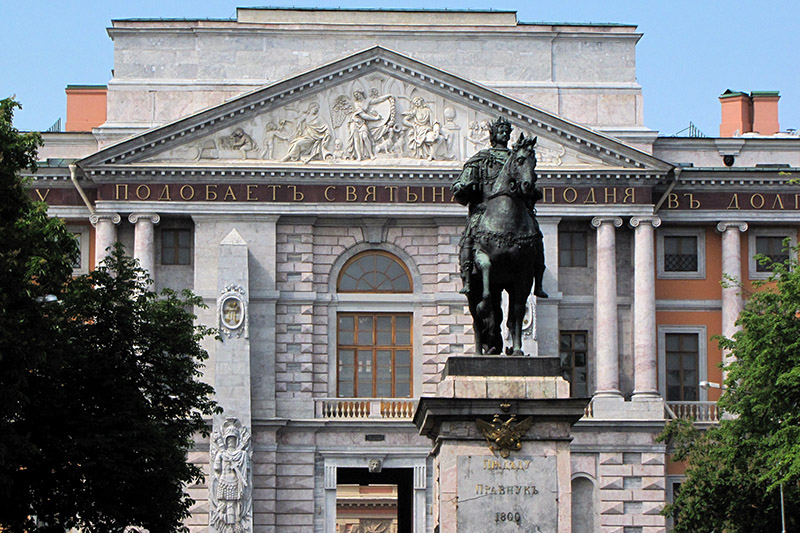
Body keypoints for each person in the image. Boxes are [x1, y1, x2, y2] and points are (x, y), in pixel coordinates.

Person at [451, 116, 547, 297]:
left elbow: (529, 183)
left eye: (506, 131)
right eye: (500, 131)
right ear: (493, 135)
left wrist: (532, 190)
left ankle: (538, 278)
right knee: (469, 235)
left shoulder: (519, 158)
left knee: (536, 234)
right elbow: (461, 182)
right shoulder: (481, 159)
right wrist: (462, 186)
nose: (504, 134)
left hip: (517, 211)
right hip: (484, 209)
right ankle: (468, 275)